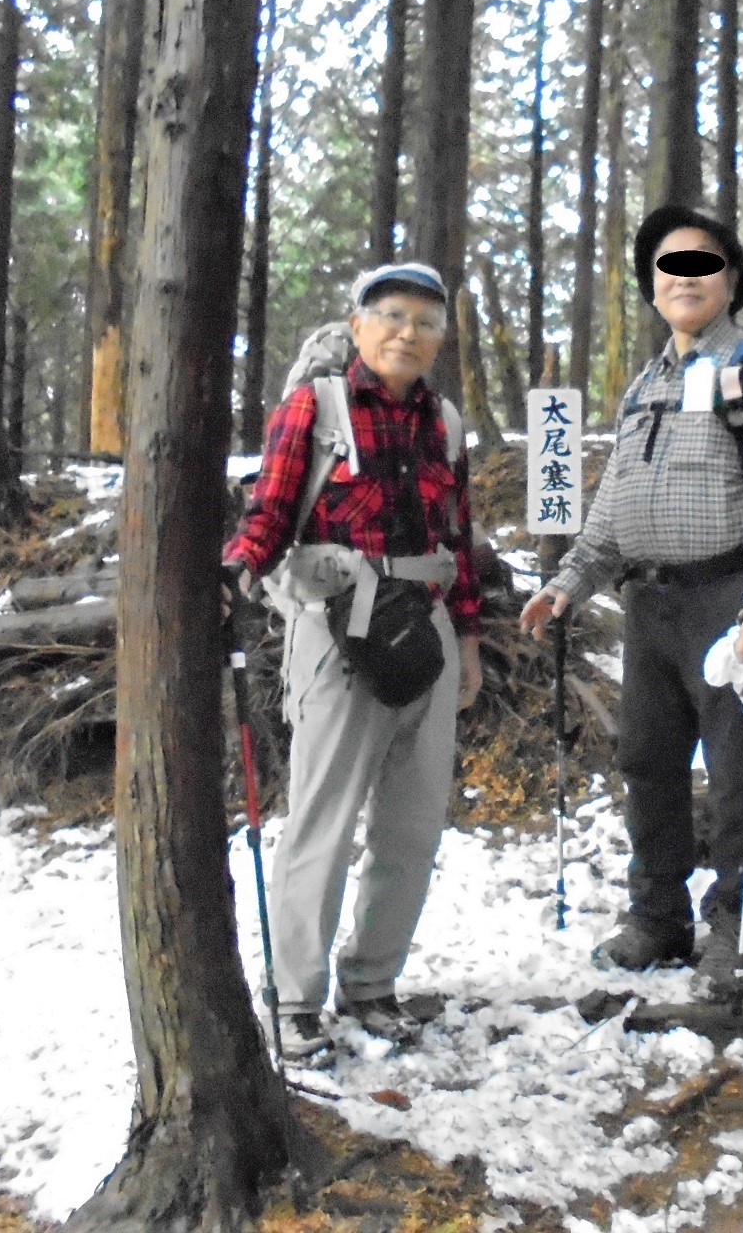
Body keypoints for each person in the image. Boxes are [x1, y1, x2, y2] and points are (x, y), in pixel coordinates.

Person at [519, 204, 743, 998]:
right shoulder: (644, 386)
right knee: (646, 762)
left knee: (736, 774)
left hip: (728, 598)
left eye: (703, 264)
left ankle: (733, 926)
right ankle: (657, 915)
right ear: (652, 287)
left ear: (731, 281)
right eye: (668, 266)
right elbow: (615, 504)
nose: (685, 278)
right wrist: (569, 581)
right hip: (647, 607)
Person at [222, 262, 484, 1055]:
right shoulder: (316, 405)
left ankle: (372, 982)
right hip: (337, 624)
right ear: (359, 324)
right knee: (324, 820)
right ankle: (297, 996)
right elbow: (268, 508)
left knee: (412, 826)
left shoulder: (445, 422)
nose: (409, 332)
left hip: (426, 624)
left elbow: (459, 539)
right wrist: (236, 570)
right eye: (393, 316)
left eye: (427, 322)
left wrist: (467, 639)